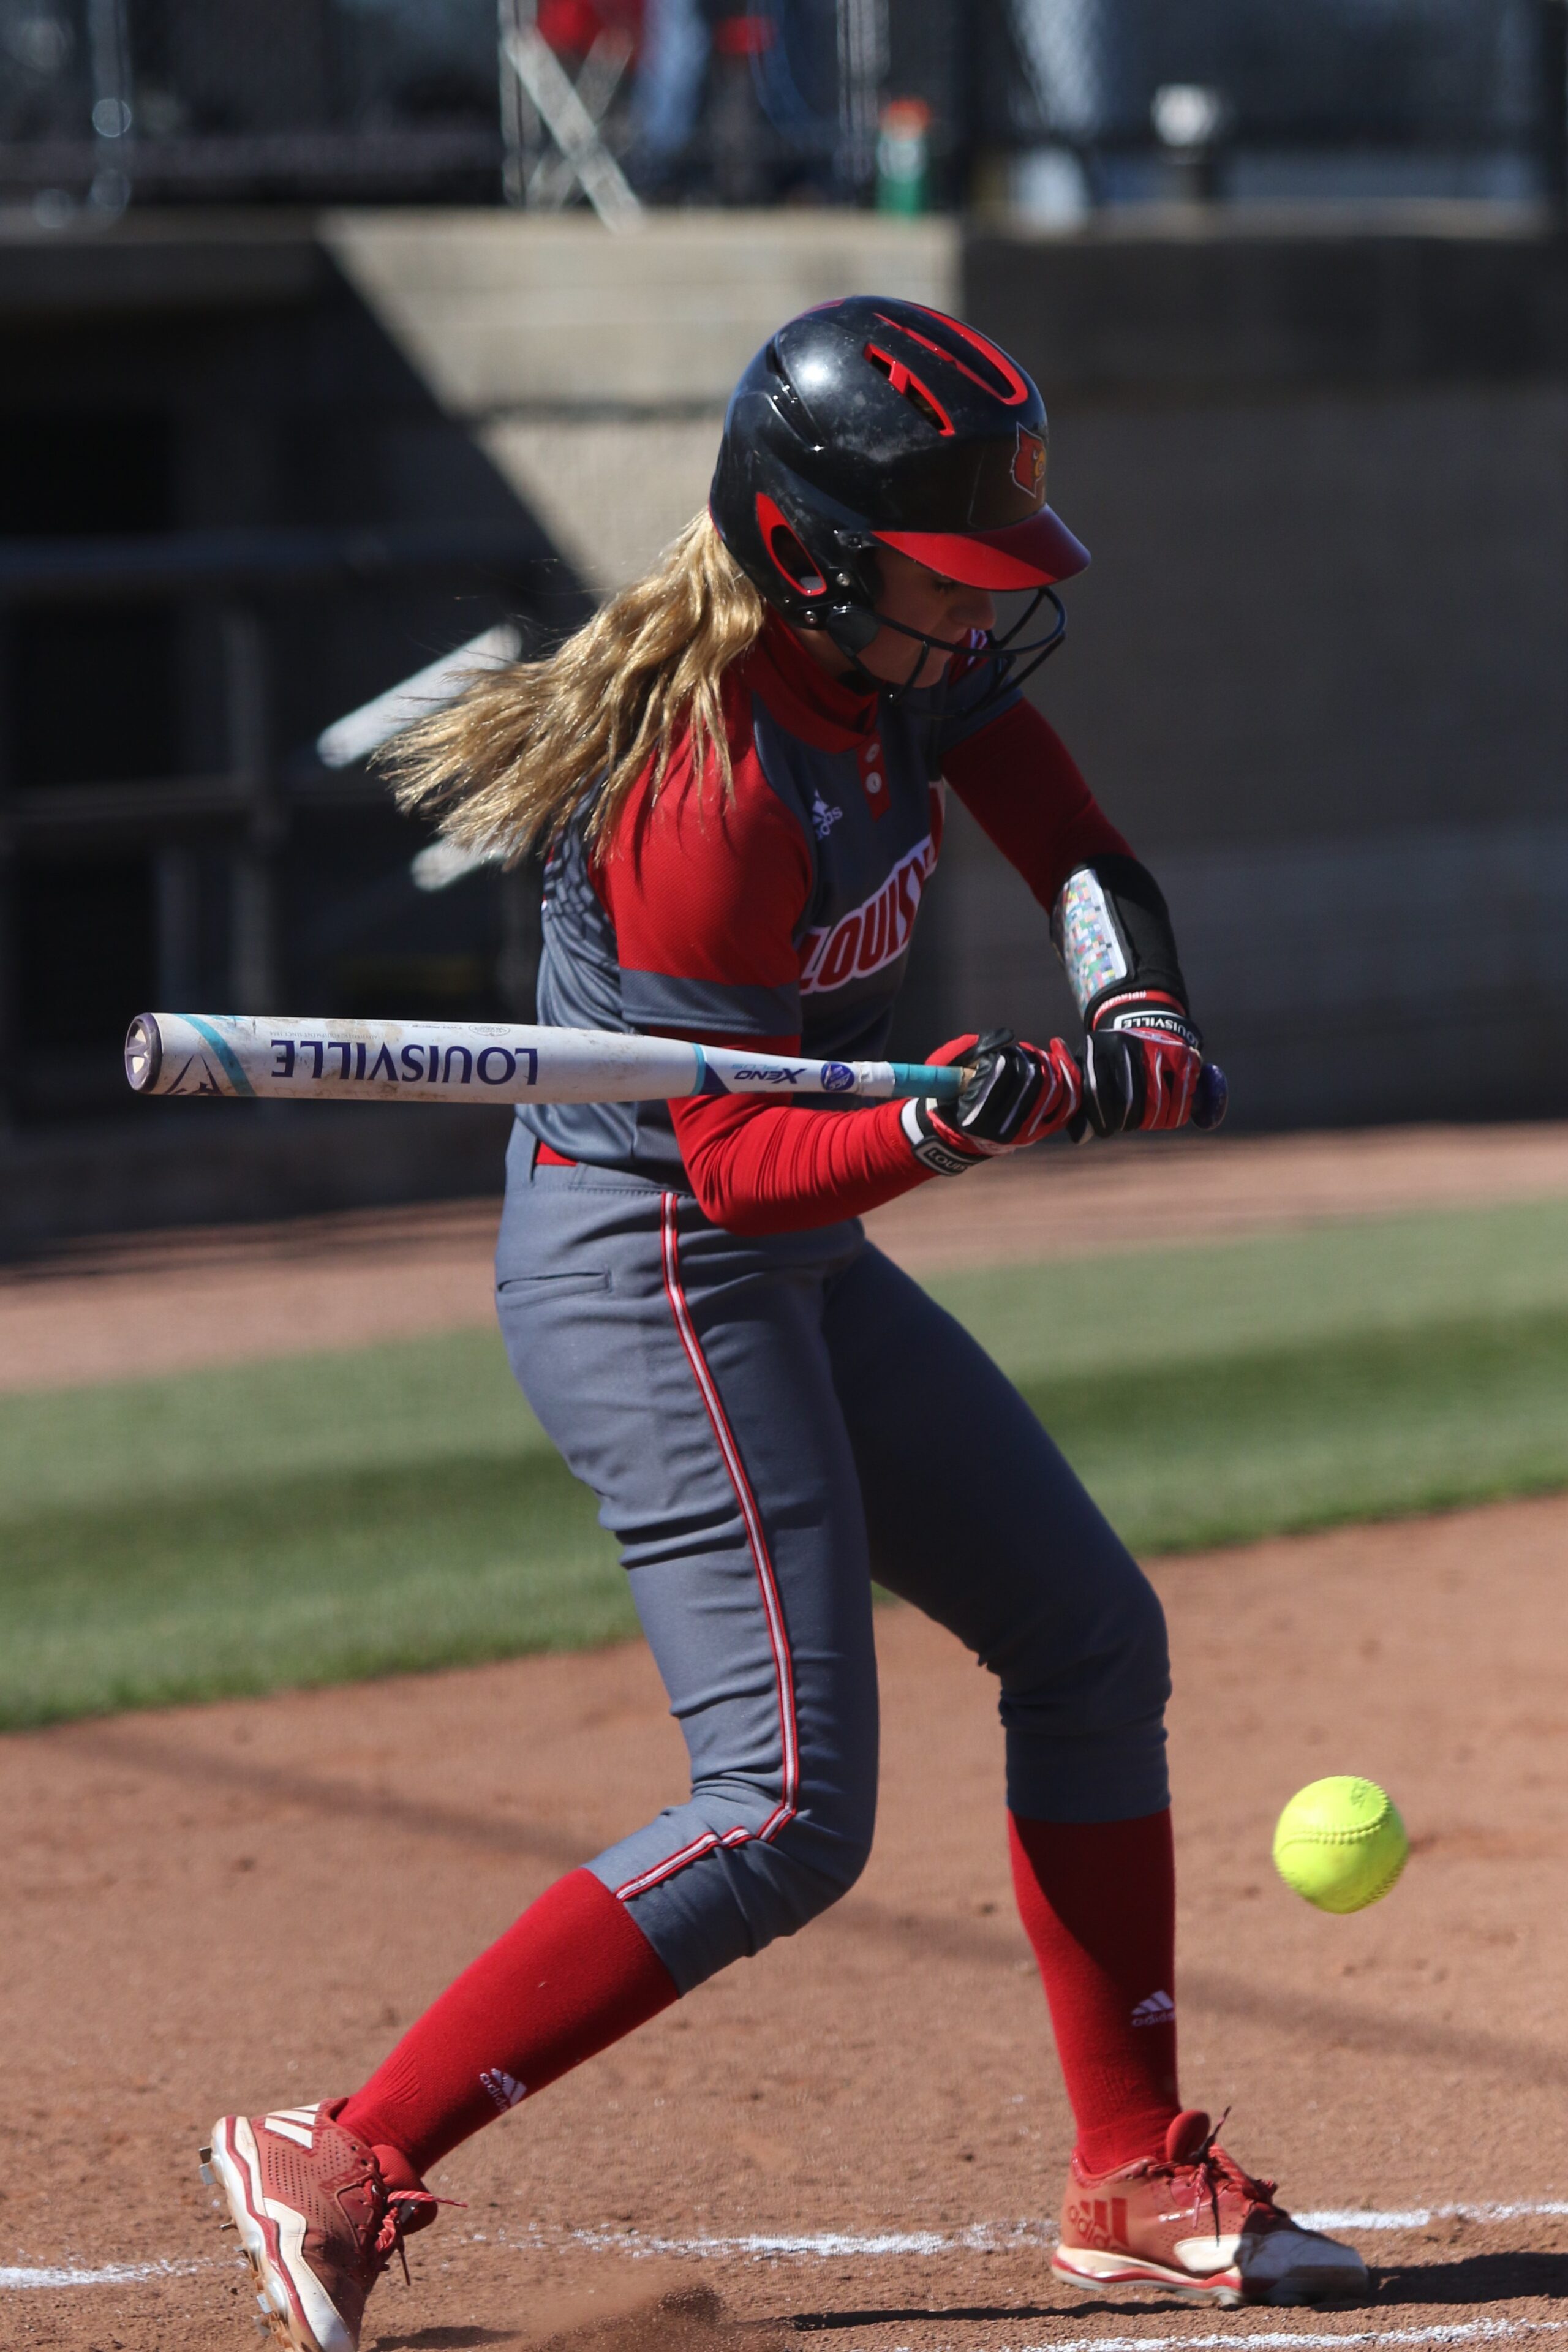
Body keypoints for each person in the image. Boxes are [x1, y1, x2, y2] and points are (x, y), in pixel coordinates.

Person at [204, 298, 1366, 2351]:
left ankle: (1133, 2170)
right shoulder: (709, 786)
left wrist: (1134, 1007)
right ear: (817, 556)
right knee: (783, 1807)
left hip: (781, 1250)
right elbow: (733, 1165)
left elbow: (1083, 851)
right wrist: (940, 1128)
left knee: (1091, 1637)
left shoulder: (895, 685)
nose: (981, 617)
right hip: (653, 1262)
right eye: (952, 573)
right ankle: (340, 2151)